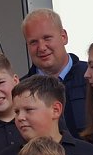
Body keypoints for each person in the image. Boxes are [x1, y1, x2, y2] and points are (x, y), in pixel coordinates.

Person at [21, 8, 89, 137]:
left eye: (47, 38)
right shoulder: (21, 92)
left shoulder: (92, 78)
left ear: (63, 36)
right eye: (33, 42)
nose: (41, 47)